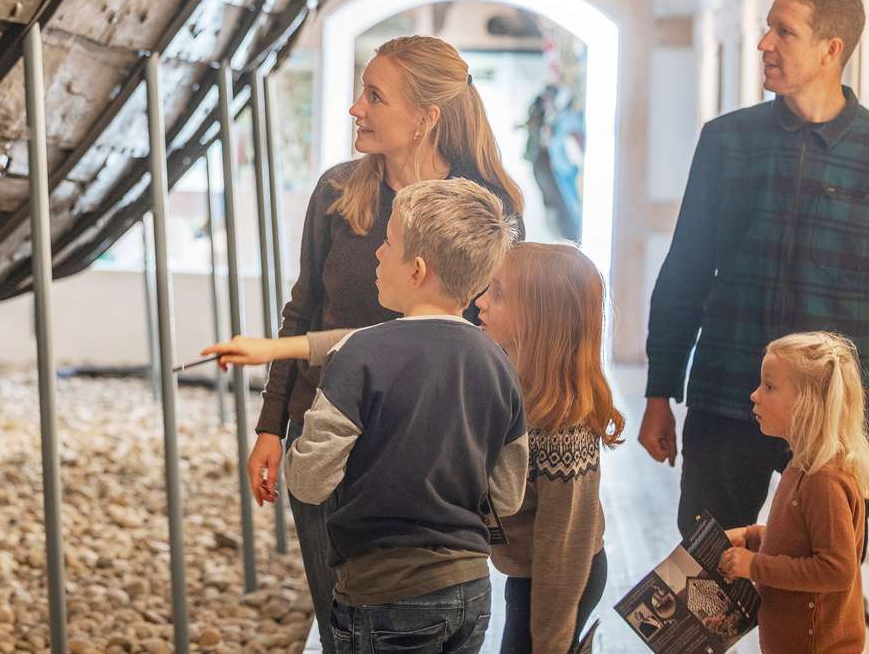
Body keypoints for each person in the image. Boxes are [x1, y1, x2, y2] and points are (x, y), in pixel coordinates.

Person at [252, 36, 526, 652]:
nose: (355, 108)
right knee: (341, 631)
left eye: (375, 96)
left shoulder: (488, 210)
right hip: (328, 438)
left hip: (431, 459)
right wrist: (271, 427)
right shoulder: (335, 192)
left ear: (427, 117)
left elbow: (498, 335)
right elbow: (302, 311)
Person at [210, 178, 527, 654]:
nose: (377, 253)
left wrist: (297, 454)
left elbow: (310, 482)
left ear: (416, 270)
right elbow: (508, 493)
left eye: (388, 243)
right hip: (470, 590)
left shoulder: (361, 353)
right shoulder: (497, 361)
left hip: (384, 592)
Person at [641, 0, 869, 535]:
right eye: (765, 29)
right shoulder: (726, 140)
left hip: (838, 412)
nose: (764, 45)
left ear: (832, 49)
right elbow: (684, 271)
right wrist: (661, 389)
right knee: (705, 587)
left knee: (821, 597)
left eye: (784, 32)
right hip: (729, 393)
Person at [474, 244, 622, 654]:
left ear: (539, 319)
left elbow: (564, 550)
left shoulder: (563, 430)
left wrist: (551, 643)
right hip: (528, 569)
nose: (481, 301)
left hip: (556, 579)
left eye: (498, 293)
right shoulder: (511, 379)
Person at [718, 332, 869, 654]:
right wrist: (753, 536)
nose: (754, 395)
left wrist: (754, 565)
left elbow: (836, 569)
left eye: (769, 387)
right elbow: (799, 540)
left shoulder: (823, 481)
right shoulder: (802, 466)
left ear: (809, 401)